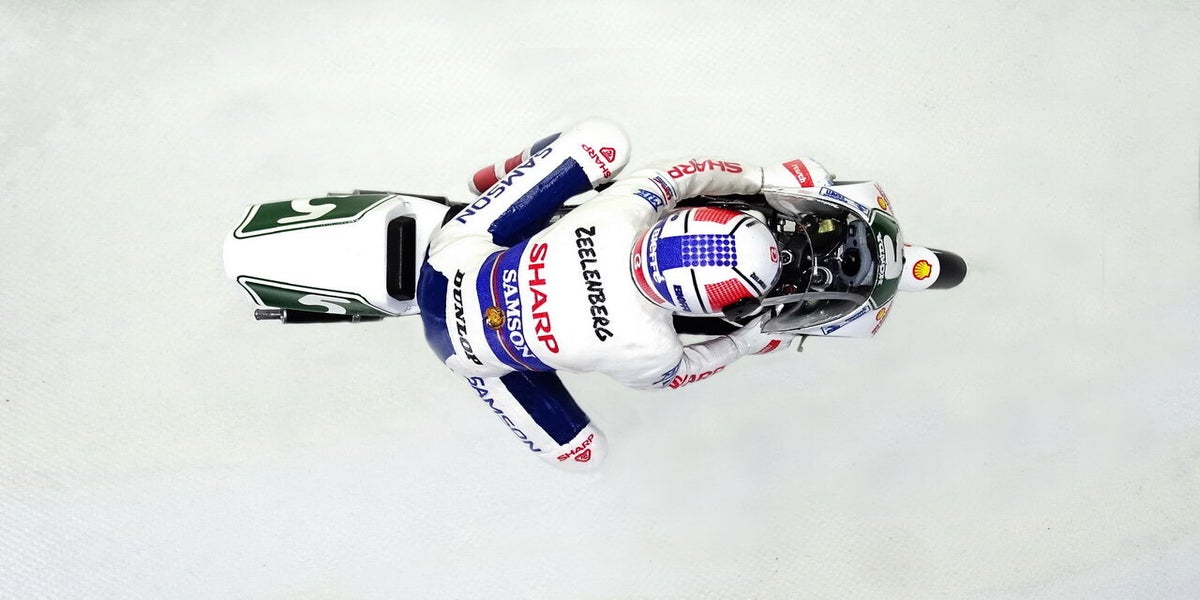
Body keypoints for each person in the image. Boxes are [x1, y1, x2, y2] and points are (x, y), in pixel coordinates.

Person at [416, 118, 834, 471]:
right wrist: (747, 342)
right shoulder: (650, 349)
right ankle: (493, 184)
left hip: (449, 264)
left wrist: (766, 176)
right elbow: (683, 371)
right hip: (471, 357)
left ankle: (493, 182)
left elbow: (684, 172)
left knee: (603, 141)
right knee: (583, 457)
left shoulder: (625, 210)